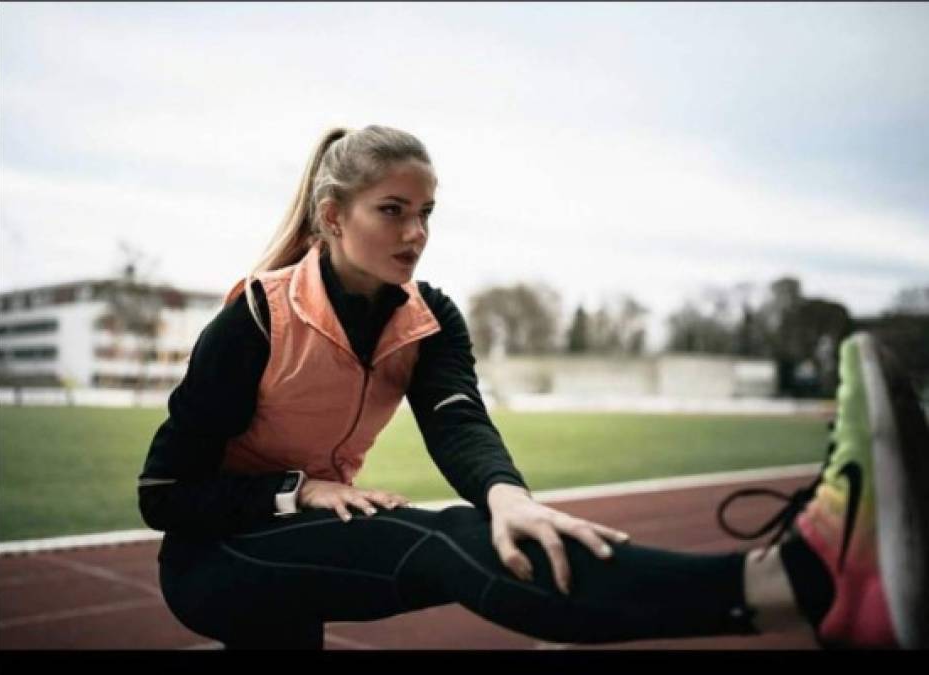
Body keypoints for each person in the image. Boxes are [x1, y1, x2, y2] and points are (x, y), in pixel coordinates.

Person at [137, 125, 928, 650]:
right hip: (215, 559)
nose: (415, 234)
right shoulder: (256, 316)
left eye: (426, 213)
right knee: (444, 539)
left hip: (299, 550)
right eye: (392, 211)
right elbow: (163, 491)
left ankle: (809, 585)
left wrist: (508, 493)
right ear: (333, 216)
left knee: (494, 523)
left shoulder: (429, 315)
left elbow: (457, 424)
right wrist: (296, 490)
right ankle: (793, 582)